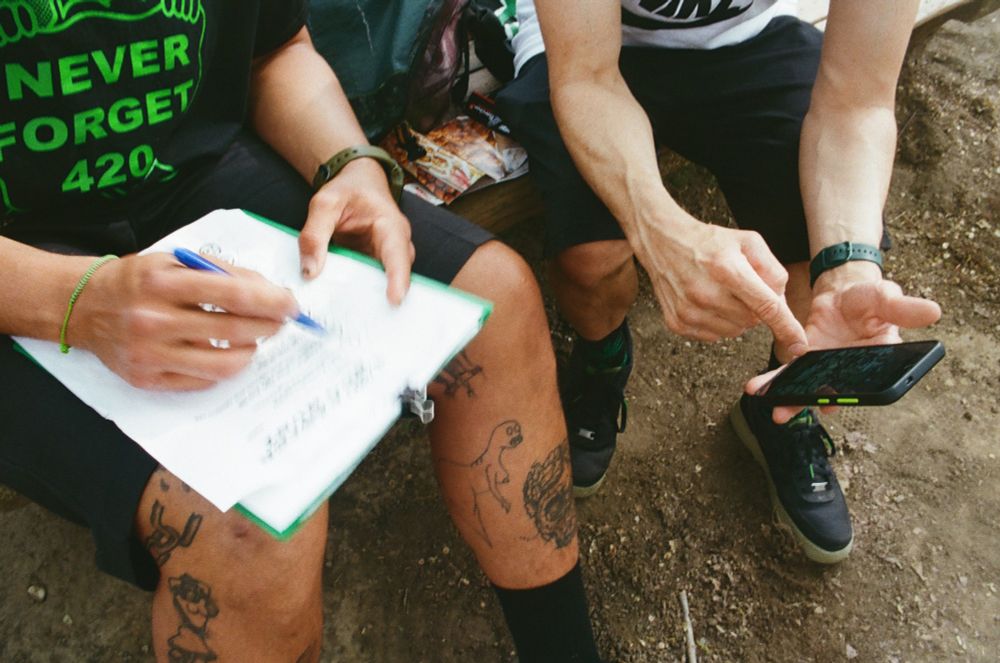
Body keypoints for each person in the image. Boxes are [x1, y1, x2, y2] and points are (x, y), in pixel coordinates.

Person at [0, 2, 603, 661]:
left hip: (195, 179)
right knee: (249, 519)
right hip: (21, 254)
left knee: (493, 301)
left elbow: (276, 47)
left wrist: (352, 163)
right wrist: (71, 301)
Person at [496, 0, 942, 563]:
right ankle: (601, 364)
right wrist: (658, 229)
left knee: (816, 254)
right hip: (587, 49)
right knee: (591, 255)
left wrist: (848, 266)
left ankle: (783, 408)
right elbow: (587, 77)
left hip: (746, 38)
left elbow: (857, 103)